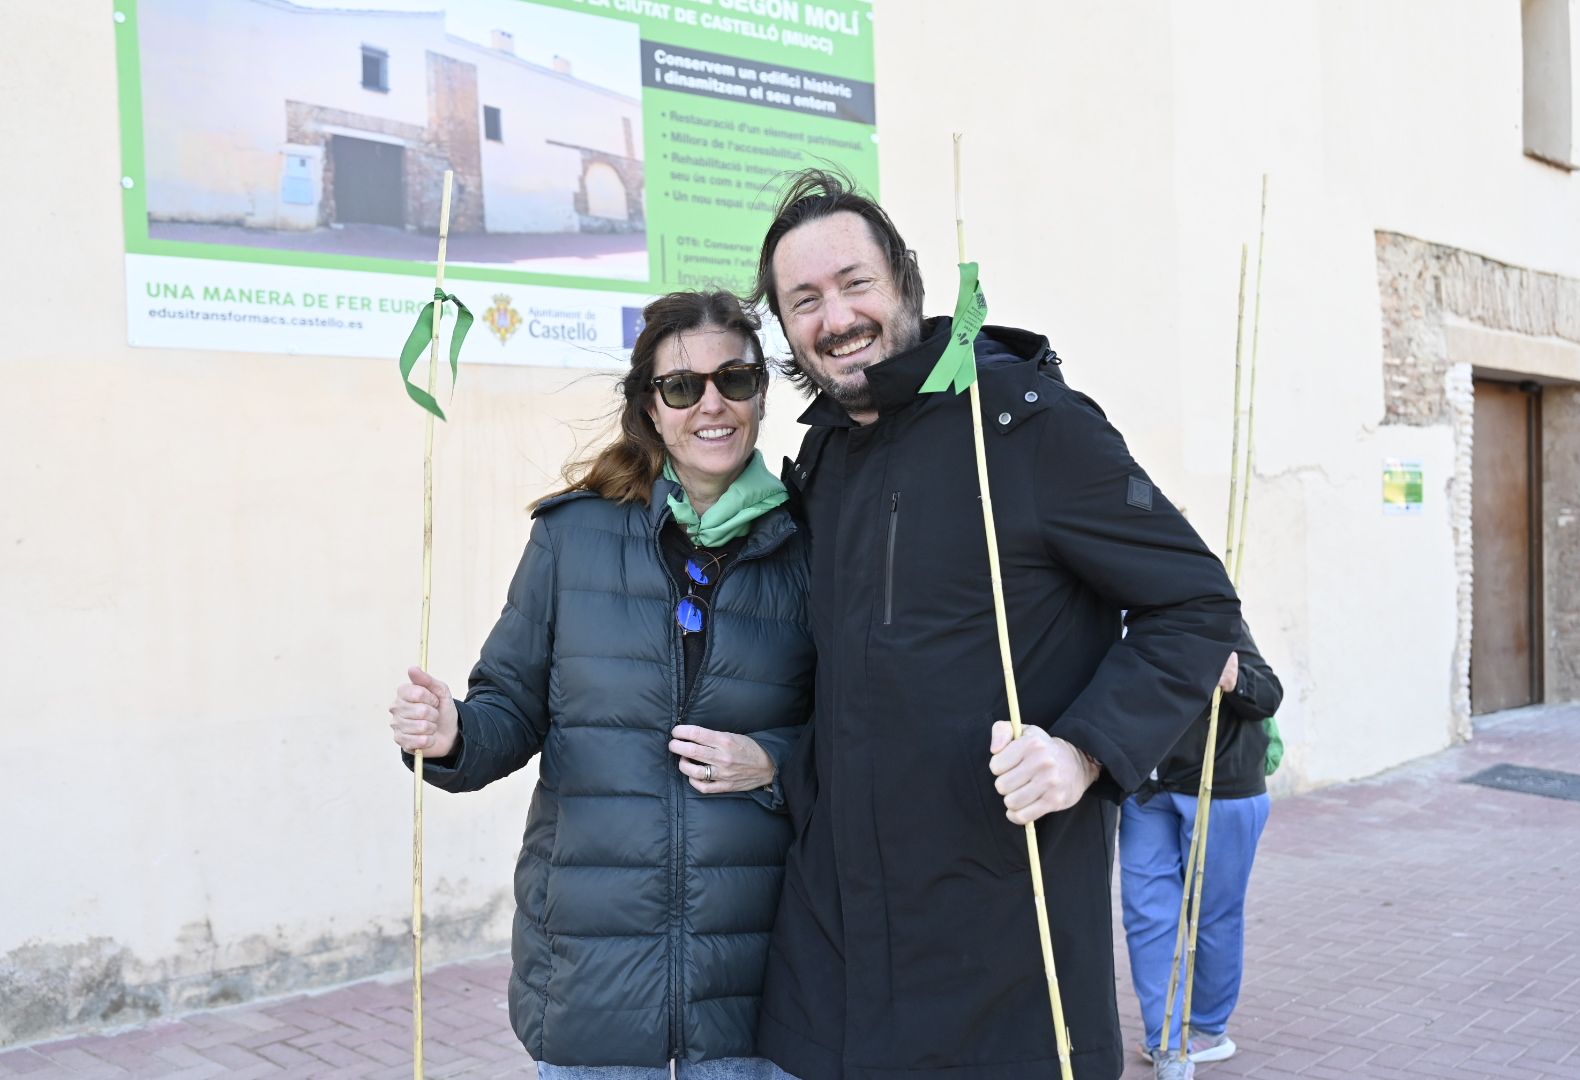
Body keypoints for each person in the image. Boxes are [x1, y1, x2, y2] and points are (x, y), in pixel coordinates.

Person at [747, 168, 1243, 1080]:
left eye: (856, 283)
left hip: (1002, 946)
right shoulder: (824, 458)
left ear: (905, 280)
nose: (836, 316)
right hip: (839, 947)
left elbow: (1197, 606)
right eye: (804, 299)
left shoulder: (1031, 427)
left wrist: (1084, 751)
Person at [387, 290, 814, 1077]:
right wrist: (454, 735)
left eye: (736, 379)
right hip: (595, 984)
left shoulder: (811, 543)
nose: (711, 404)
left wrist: (774, 762)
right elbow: (509, 705)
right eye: (682, 387)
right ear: (651, 409)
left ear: (760, 391)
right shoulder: (572, 535)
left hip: (760, 990)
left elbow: (856, 729)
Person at [1120, 621, 1283, 1074]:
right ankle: (1166, 1042)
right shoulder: (1109, 616)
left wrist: (1235, 680)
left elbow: (1268, 693)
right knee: (1146, 914)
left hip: (1222, 787)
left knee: (1212, 915)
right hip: (1144, 787)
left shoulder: (1210, 610)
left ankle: (1208, 1029)